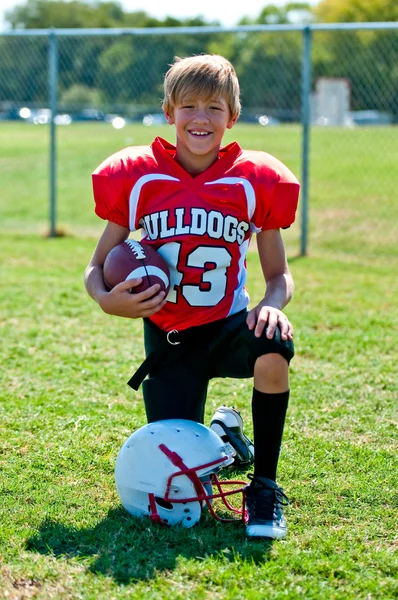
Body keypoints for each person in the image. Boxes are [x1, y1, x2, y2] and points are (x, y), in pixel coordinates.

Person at [84, 54, 300, 540]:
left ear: (233, 116)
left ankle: (263, 485)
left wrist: (271, 305)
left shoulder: (253, 181)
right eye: (189, 106)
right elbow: (95, 266)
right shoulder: (139, 178)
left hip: (227, 325)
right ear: (169, 111)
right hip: (170, 335)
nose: (200, 118)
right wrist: (104, 298)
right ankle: (224, 436)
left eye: (214, 108)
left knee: (274, 347)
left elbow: (280, 275)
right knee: (178, 468)